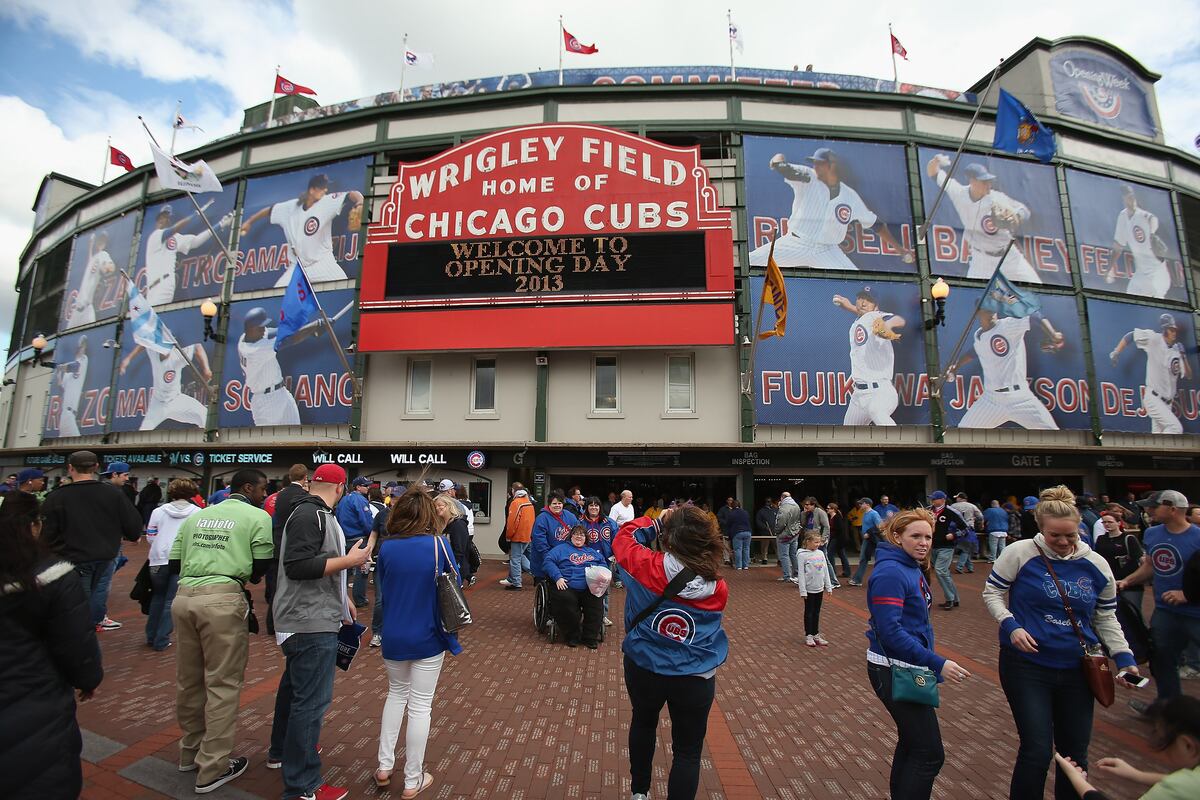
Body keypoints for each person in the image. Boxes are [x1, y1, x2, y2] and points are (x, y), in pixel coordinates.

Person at [983, 485, 1138, 800]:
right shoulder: (1020, 552)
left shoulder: (1096, 564)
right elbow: (993, 592)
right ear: (1041, 528)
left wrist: (1124, 658)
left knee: (1075, 752)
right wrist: (1011, 625)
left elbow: (1105, 617)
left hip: (1077, 667)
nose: (1065, 542)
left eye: (1071, 535)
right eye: (1055, 536)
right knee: (1037, 749)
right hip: (1026, 664)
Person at [268, 463, 371, 800]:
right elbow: (298, 566)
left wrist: (343, 598)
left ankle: (282, 753)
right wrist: (350, 561)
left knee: (295, 694)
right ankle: (303, 785)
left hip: (310, 616)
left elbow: (315, 563)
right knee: (310, 704)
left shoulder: (313, 513)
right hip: (309, 621)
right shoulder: (310, 514)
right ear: (340, 488)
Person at [169, 468, 273, 794]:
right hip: (223, 599)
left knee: (189, 680)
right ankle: (212, 766)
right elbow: (261, 564)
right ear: (248, 488)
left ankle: (189, 752)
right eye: (262, 489)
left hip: (184, 598)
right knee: (223, 684)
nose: (264, 495)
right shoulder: (257, 517)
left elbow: (174, 562)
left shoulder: (197, 516)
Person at [615, 506, 728, 800]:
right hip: (695, 674)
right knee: (688, 751)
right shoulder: (718, 587)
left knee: (643, 722)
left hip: (644, 664)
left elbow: (622, 538)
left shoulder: (647, 565)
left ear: (668, 537)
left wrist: (656, 521)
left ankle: (639, 793)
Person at [0, 490, 104, 800]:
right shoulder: (52, 575)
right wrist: (87, 679)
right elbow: (75, 640)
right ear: (34, 525)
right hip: (32, 697)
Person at [866, 508, 970, 800]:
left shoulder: (911, 566)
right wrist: (937, 662)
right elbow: (890, 631)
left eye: (928, 537)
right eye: (916, 536)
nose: (924, 543)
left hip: (907, 665)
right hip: (894, 669)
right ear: (897, 537)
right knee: (929, 753)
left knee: (913, 744)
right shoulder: (891, 572)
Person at [373, 486, 462, 798]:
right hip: (428, 633)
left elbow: (383, 587)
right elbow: (455, 582)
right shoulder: (438, 544)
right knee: (421, 706)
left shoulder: (387, 548)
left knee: (395, 695)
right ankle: (412, 779)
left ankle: (384, 765)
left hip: (393, 634)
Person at [748, 147, 910, 270]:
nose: (815, 166)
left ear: (832, 166)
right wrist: (778, 159)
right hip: (796, 242)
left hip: (827, 250)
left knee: (854, 281)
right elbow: (783, 168)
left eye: (820, 163)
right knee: (749, 262)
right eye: (815, 163)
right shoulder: (808, 176)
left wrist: (901, 249)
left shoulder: (850, 196)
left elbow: (876, 224)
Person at [39, 450, 143, 632]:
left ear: (70, 468)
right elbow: (133, 527)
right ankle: (93, 623)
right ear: (96, 467)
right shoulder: (113, 494)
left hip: (74, 556)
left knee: (80, 598)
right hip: (106, 554)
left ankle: (81, 630)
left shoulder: (57, 497)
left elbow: (47, 534)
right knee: (99, 591)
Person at [1118, 490, 1200, 704]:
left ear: (1173, 509)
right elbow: (1151, 565)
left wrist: (1187, 594)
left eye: (1154, 507)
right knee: (1161, 658)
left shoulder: (1197, 537)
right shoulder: (1152, 534)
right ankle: (1168, 704)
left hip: (1195, 612)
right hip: (1165, 611)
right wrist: (1127, 581)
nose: (1149, 510)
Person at [1053, 695, 1200, 799]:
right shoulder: (1191, 781)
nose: (1164, 752)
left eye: (1163, 741)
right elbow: (1185, 783)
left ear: (1188, 745)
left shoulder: (1178, 786)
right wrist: (1137, 775)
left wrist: (1077, 779)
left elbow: (1179, 785)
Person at [925, 156, 1041, 282]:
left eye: (989, 181)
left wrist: (1017, 216)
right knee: (973, 292)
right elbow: (933, 173)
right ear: (972, 181)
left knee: (1036, 286)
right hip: (981, 260)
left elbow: (1024, 210)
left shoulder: (996, 198)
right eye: (984, 181)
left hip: (1008, 257)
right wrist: (936, 161)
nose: (988, 185)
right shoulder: (958, 193)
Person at [239, 172, 364, 286]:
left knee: (343, 286)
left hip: (322, 263)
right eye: (321, 187)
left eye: (325, 187)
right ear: (312, 190)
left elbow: (352, 194)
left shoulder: (326, 202)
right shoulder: (290, 207)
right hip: (297, 267)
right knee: (278, 292)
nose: (325, 190)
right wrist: (250, 221)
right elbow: (270, 210)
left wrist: (360, 203)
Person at [832, 286, 906, 426]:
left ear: (876, 306)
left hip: (881, 392)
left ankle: (900, 441)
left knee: (876, 411)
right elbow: (863, 316)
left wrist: (887, 325)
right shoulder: (859, 322)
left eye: (869, 300)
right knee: (847, 434)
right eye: (861, 298)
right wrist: (850, 307)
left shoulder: (877, 317)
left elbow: (898, 319)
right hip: (859, 395)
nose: (863, 303)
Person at [144, 478, 201, 651]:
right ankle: (162, 639)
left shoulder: (158, 511)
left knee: (157, 597)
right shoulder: (198, 513)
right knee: (171, 601)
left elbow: (150, 536)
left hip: (158, 559)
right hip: (182, 559)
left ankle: (151, 635)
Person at [1109, 314, 1191, 435]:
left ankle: (1156, 448)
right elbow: (1132, 335)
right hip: (1154, 398)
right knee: (1175, 428)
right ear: (1164, 329)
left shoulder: (1176, 351)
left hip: (1168, 403)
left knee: (1157, 438)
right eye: (1171, 329)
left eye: (1175, 330)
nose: (1174, 333)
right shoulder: (1154, 339)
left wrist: (1183, 357)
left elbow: (1188, 375)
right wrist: (1116, 351)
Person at [544, 524, 607, 648]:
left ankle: (590, 637)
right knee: (566, 601)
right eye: (576, 534)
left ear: (586, 538)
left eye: (582, 535)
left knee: (595, 601)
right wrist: (558, 577)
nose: (579, 537)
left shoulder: (592, 552)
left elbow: (603, 563)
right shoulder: (560, 549)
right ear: (571, 536)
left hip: (589, 586)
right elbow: (548, 561)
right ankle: (572, 636)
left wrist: (600, 573)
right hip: (567, 584)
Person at [267, 464, 310, 636]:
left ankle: (271, 623)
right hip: (293, 545)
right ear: (305, 478)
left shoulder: (280, 495)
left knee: (275, 588)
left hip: (277, 544)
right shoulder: (303, 496)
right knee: (292, 587)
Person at [1111, 184, 1173, 299]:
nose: (1132, 199)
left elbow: (1152, 219)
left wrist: (1152, 233)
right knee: (1130, 298)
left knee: (1156, 302)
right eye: (1129, 196)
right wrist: (1110, 268)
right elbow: (1118, 245)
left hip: (1157, 273)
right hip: (1141, 275)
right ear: (1124, 198)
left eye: (1133, 196)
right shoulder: (1123, 216)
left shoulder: (1142, 215)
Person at [336, 476, 375, 609]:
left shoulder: (343, 499)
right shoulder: (359, 499)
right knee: (362, 571)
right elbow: (366, 521)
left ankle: (341, 598)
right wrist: (372, 534)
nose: (368, 487)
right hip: (359, 540)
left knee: (344, 571)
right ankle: (359, 599)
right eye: (366, 485)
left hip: (344, 540)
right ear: (358, 487)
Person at [579, 496, 618, 624]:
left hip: (605, 561)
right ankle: (586, 615)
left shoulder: (609, 522)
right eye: (591, 505)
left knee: (603, 589)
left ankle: (603, 615)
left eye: (596, 505)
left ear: (600, 507)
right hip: (585, 560)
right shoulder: (580, 522)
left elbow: (617, 540)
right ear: (587, 507)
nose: (594, 507)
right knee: (584, 587)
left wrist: (615, 555)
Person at [530, 490, 579, 584]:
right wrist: (550, 559)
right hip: (545, 559)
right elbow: (539, 542)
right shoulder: (542, 518)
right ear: (549, 504)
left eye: (559, 503)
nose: (557, 505)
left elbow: (578, 532)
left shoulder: (570, 516)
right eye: (554, 503)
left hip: (565, 560)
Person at [928, 491, 967, 610]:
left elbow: (965, 529)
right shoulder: (928, 511)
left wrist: (954, 535)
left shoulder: (951, 512)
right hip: (933, 545)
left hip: (946, 546)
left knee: (940, 570)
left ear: (942, 500)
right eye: (932, 499)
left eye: (934, 499)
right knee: (944, 573)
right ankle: (955, 599)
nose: (932, 501)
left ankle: (949, 598)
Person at [797, 530, 833, 647]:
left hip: (819, 588)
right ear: (808, 541)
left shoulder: (820, 553)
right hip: (809, 589)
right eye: (816, 542)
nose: (818, 544)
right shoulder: (802, 555)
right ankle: (809, 635)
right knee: (809, 612)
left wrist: (828, 586)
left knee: (817, 612)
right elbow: (801, 574)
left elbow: (825, 570)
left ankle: (816, 634)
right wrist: (803, 590)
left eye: (819, 542)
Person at [500, 488, 534, 590]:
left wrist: (508, 536)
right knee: (520, 557)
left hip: (518, 536)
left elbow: (512, 522)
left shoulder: (516, 503)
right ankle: (512, 579)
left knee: (515, 559)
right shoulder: (529, 503)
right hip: (527, 535)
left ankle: (516, 582)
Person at [434, 493, 470, 583]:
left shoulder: (458, 524)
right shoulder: (441, 525)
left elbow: (459, 550)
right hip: (444, 567)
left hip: (455, 568)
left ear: (449, 505)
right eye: (435, 506)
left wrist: (451, 567)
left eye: (440, 505)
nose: (437, 508)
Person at [802, 496, 836, 587]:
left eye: (807, 505)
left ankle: (833, 581)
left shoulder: (820, 512)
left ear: (813, 505)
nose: (806, 506)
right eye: (805, 505)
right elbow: (803, 523)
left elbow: (826, 526)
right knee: (809, 559)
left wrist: (823, 539)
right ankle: (809, 579)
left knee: (824, 560)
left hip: (818, 539)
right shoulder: (808, 513)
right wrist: (804, 513)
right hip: (809, 538)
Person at [849, 498, 883, 586]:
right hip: (868, 539)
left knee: (876, 559)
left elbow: (880, 526)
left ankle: (858, 580)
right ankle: (857, 579)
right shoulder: (865, 513)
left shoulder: (874, 514)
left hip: (873, 540)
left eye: (862, 503)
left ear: (867, 504)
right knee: (864, 558)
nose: (860, 505)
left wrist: (869, 533)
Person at [950, 492, 983, 573]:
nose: (956, 499)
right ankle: (960, 567)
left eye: (957, 497)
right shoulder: (972, 506)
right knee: (966, 549)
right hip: (968, 529)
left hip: (955, 529)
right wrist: (976, 520)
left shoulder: (953, 506)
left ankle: (970, 567)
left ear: (960, 498)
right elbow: (980, 516)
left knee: (964, 548)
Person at [774, 492, 802, 583]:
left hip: (785, 534)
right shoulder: (796, 506)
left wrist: (777, 531)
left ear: (782, 497)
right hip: (795, 533)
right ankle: (796, 573)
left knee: (784, 555)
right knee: (793, 554)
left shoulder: (784, 507)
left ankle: (787, 576)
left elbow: (781, 522)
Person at [827, 501, 852, 578]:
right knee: (842, 555)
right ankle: (847, 572)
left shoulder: (837, 518)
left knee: (830, 554)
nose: (827, 509)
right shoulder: (831, 517)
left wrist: (838, 540)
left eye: (828, 508)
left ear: (833, 509)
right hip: (835, 538)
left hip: (837, 539)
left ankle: (833, 572)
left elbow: (840, 530)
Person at [726, 499, 752, 570]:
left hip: (737, 532)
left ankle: (739, 566)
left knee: (738, 549)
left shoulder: (731, 513)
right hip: (748, 532)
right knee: (746, 549)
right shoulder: (745, 512)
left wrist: (729, 536)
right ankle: (746, 565)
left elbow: (728, 525)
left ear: (732, 506)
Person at [755, 496, 778, 567]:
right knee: (764, 546)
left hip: (774, 531)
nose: (768, 503)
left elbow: (779, 519)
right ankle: (764, 558)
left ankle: (779, 558)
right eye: (767, 501)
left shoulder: (775, 510)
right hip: (765, 532)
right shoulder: (761, 511)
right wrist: (764, 527)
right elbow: (758, 521)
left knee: (776, 546)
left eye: (769, 501)